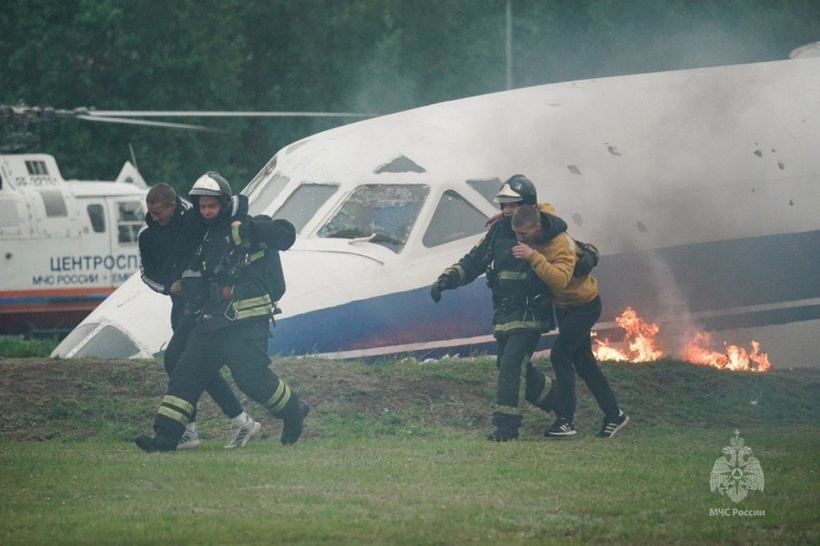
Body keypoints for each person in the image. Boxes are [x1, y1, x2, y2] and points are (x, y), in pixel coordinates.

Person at [135, 172, 309, 452]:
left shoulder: (249, 226)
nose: (206, 212)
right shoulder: (206, 237)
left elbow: (286, 234)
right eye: (202, 206)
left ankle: (293, 410)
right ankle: (165, 438)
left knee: (251, 379)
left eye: (212, 206)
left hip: (246, 323)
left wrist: (249, 230)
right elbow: (198, 277)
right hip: (212, 322)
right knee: (185, 372)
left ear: (224, 204)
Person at [430, 175, 557, 442]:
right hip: (504, 314)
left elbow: (555, 225)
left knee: (511, 366)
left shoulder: (541, 230)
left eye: (514, 205)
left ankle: (506, 429)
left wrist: (536, 215)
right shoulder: (498, 231)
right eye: (504, 206)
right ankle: (559, 400)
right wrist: (447, 280)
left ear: (528, 206)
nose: (507, 211)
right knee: (507, 364)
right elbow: (474, 261)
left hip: (530, 314)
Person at [139, 183, 262, 449]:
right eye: (151, 212)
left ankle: (201, 429)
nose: (154, 217)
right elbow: (147, 272)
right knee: (186, 365)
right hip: (179, 303)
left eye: (159, 212)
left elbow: (237, 199)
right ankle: (227, 424)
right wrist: (167, 287)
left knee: (182, 362)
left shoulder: (194, 216)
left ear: (173, 205)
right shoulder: (146, 236)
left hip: (203, 303)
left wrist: (238, 220)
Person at [510, 203, 629, 438]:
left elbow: (560, 280)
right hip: (565, 308)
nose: (519, 238)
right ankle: (614, 415)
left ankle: (565, 420)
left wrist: (533, 257)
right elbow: (539, 205)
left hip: (583, 307)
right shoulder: (541, 218)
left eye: (523, 234)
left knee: (560, 355)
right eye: (516, 233)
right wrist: (505, 214)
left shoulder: (559, 247)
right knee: (584, 364)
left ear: (537, 227)